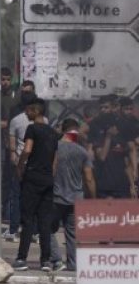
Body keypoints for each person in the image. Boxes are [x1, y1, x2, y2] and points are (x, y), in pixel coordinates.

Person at [14, 98, 60, 272]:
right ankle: (45, 261)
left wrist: (20, 167)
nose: (26, 114)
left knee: (27, 220)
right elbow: (55, 160)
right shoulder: (52, 132)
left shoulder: (32, 129)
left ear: (35, 111)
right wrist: (50, 175)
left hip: (32, 177)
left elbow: (27, 149)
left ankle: (21, 258)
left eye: (28, 110)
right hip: (47, 178)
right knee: (44, 222)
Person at [51, 117, 95, 272]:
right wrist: (93, 197)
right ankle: (73, 264)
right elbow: (89, 178)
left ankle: (56, 259)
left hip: (55, 196)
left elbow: (51, 170)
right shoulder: (82, 152)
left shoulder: (54, 148)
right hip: (76, 198)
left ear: (63, 130)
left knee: (47, 228)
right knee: (72, 233)